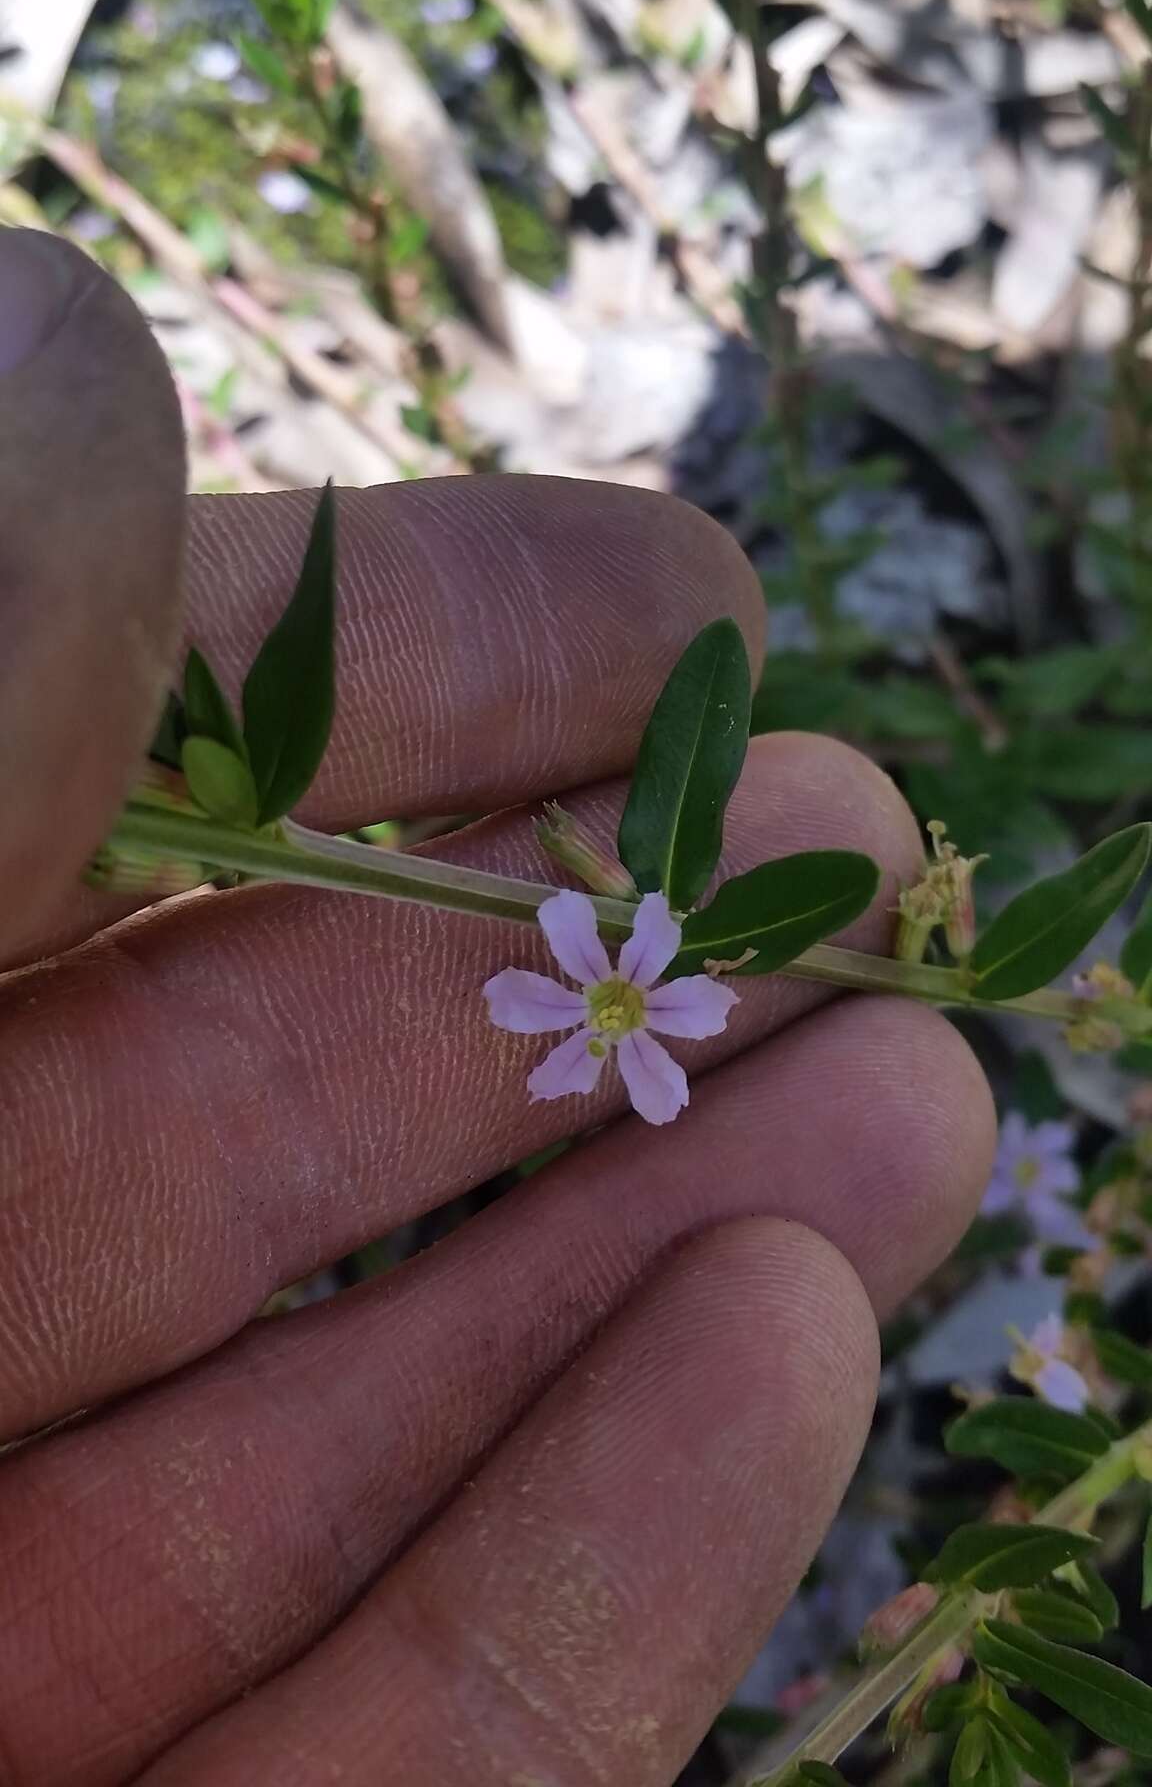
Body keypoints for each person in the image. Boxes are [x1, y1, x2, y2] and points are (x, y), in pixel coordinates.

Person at [0, 230, 994, 1785]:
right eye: (610, 996)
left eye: (621, 996)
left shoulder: (639, 965)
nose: (613, 1005)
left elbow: (640, 957)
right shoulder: (631, 978)